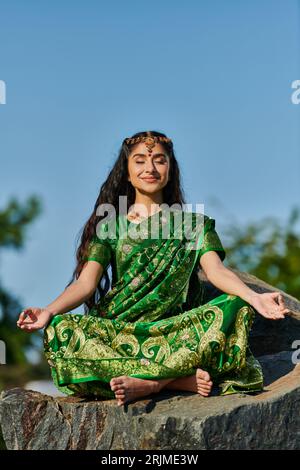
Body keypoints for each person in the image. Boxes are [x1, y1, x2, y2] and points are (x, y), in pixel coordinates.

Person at [16, 131, 290, 407]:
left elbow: (217, 272)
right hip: (121, 330)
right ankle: (174, 380)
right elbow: (85, 285)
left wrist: (255, 297)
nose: (150, 168)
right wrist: (48, 311)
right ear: (127, 172)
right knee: (62, 328)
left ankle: (153, 382)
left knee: (236, 305)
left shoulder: (193, 225)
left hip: (175, 331)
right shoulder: (111, 226)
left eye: (159, 161)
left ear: (170, 170)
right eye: (139, 161)